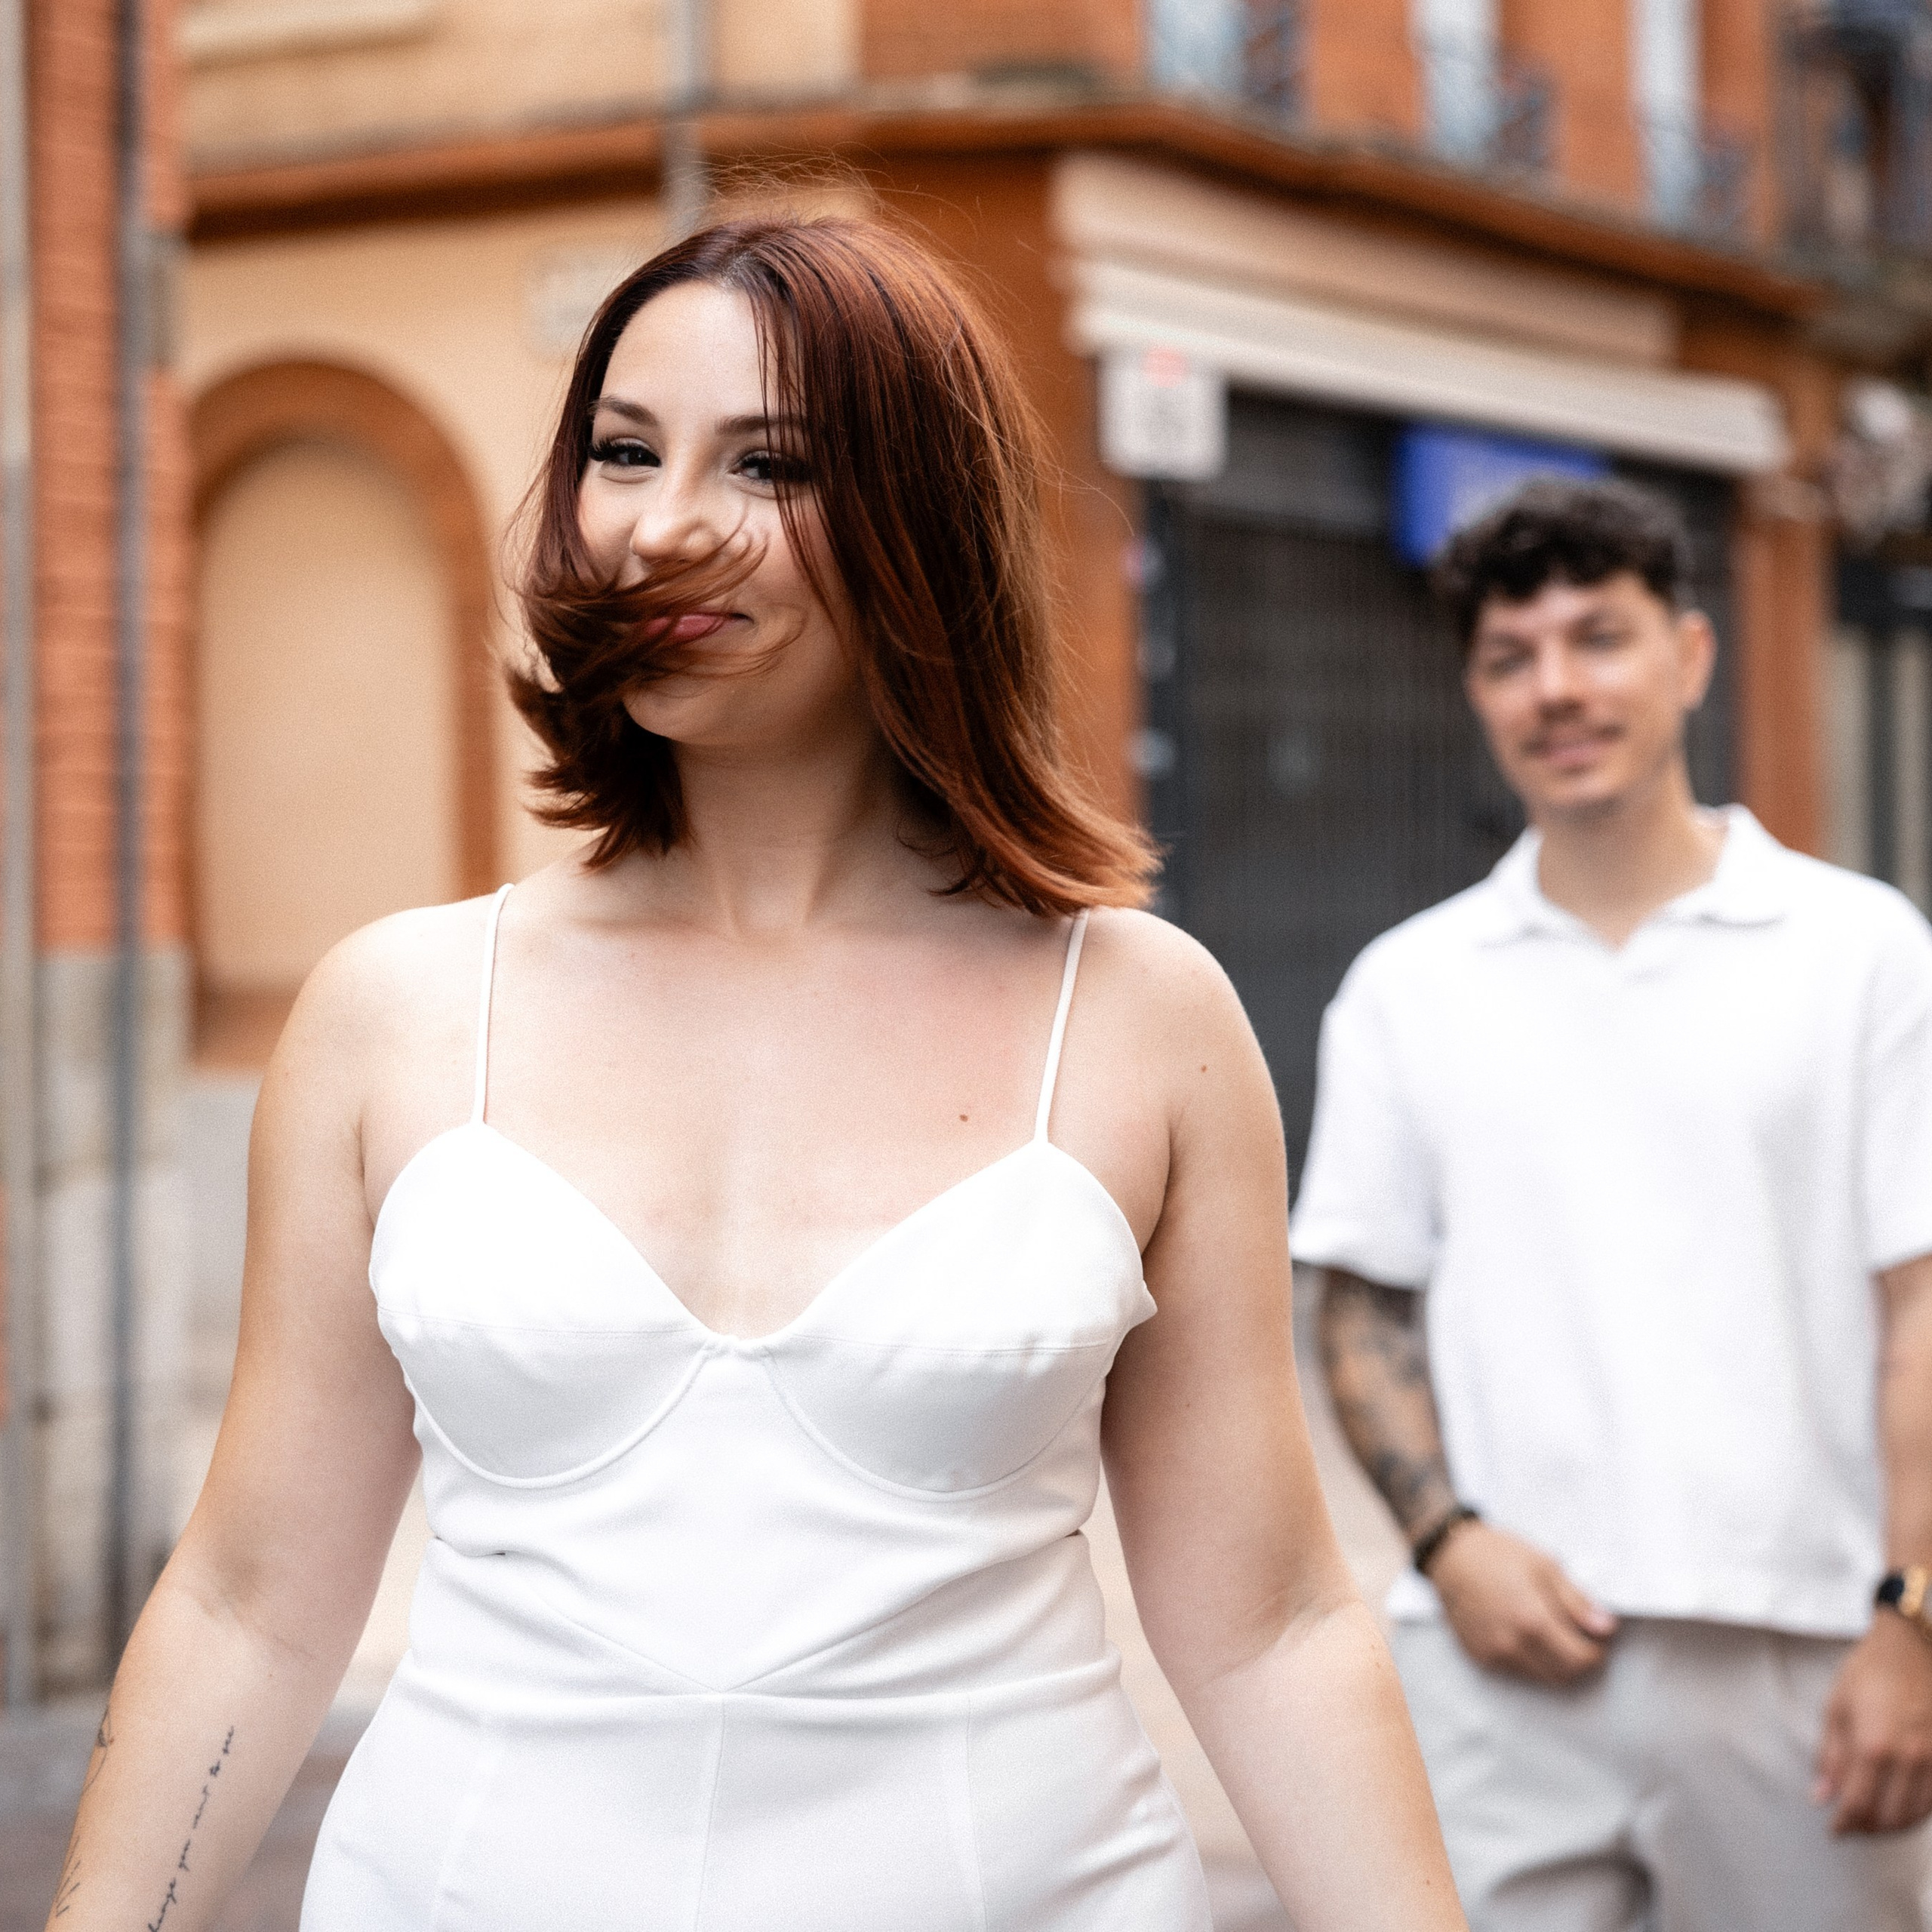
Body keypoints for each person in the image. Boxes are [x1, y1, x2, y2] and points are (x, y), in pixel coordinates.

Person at [45, 218, 1463, 1932]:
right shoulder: (395, 1009)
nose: (660, 525)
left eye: (769, 461)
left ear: (921, 523)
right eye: (622, 452)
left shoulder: (1140, 1014)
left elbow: (1270, 1621)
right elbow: (254, 1603)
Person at [1295, 475, 1932, 1929]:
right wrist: (1450, 1546)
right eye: (1511, 659)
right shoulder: (1410, 989)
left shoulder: (1860, 954)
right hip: (1502, 1670)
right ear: (1474, 690)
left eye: (1599, 638)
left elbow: (1922, 1315)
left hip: (1805, 1662)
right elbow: (1362, 1300)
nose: (1557, 690)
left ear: (1691, 655)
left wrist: (1916, 1622)